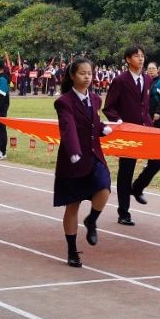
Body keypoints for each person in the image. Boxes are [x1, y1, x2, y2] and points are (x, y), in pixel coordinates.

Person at [54, 57, 112, 268]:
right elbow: (68, 127)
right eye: (82, 73)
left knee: (104, 187)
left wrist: (102, 127)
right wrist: (73, 151)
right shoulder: (64, 102)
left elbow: (91, 121)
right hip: (73, 159)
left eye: (89, 73)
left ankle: (92, 220)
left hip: (94, 155)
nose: (87, 77)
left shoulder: (95, 99)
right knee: (73, 206)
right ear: (72, 76)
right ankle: (72, 250)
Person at [103, 45, 152, 226]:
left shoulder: (147, 79)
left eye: (142, 55)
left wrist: (150, 121)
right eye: (137, 56)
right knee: (126, 171)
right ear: (128, 59)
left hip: (145, 129)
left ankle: (137, 187)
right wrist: (119, 122)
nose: (141, 59)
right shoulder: (120, 80)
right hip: (127, 132)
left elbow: (144, 105)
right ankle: (123, 213)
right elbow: (109, 107)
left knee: (157, 160)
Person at [129, 61, 160, 199]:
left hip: (157, 116)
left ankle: (156, 159)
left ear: (158, 70)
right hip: (147, 117)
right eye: (149, 68)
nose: (151, 70)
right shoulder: (146, 81)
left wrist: (158, 112)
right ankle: (152, 160)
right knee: (149, 141)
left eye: (153, 68)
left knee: (155, 141)